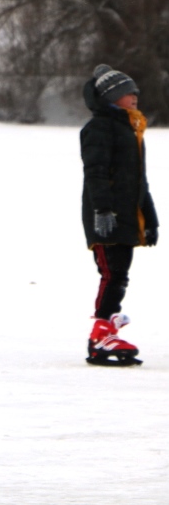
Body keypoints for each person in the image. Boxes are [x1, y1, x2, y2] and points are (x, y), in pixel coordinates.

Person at [80, 64, 158, 366]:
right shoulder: (99, 128)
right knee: (111, 274)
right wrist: (101, 209)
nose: (134, 96)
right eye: (127, 92)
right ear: (112, 98)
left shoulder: (131, 128)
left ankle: (108, 325)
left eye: (135, 91)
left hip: (126, 214)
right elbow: (95, 173)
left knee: (120, 275)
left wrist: (149, 219)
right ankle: (100, 333)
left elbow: (140, 180)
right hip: (106, 214)